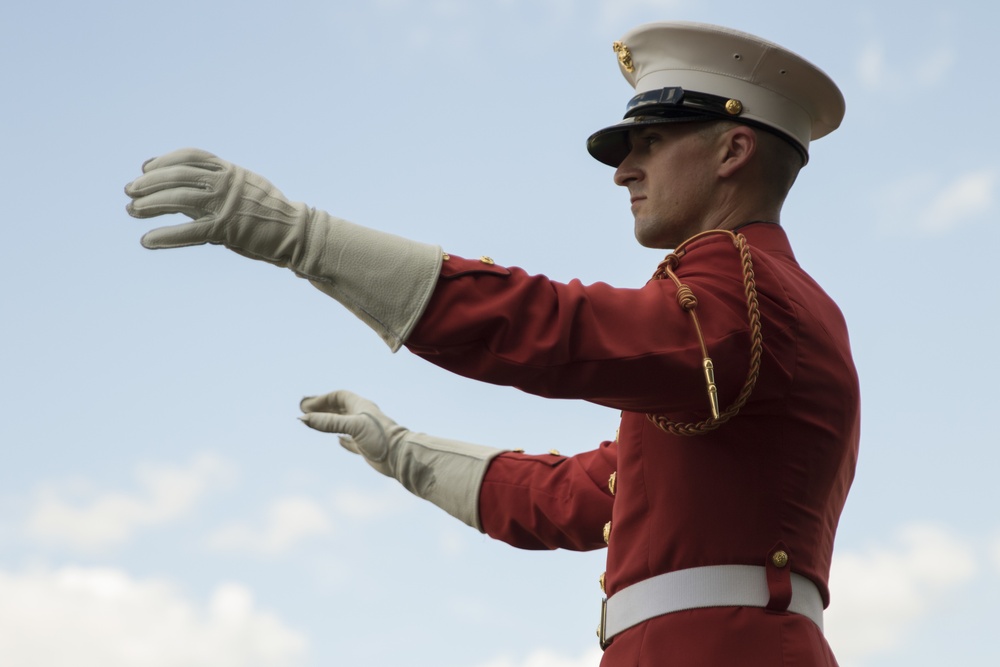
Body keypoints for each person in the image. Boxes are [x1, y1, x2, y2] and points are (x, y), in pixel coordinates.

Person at [125, 21, 859, 667]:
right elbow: (576, 496)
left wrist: (304, 236)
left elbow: (554, 328)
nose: (623, 170)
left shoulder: (743, 287)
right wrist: (403, 452)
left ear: (733, 150)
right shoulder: (745, 315)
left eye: (652, 143)